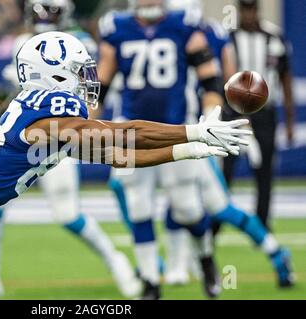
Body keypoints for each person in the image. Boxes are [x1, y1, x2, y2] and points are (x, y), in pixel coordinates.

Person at [0, 31, 250, 300]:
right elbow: (119, 133)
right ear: (55, 74)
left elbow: (116, 153)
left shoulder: (50, 119)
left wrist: (191, 150)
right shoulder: (54, 109)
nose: (87, 79)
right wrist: (191, 131)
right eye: (81, 71)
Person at [97, 0, 294, 299]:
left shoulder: (185, 23)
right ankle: (151, 281)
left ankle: (204, 258)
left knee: (189, 209)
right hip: (132, 131)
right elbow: (103, 83)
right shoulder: (117, 28)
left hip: (178, 129)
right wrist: (86, 123)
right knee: (139, 206)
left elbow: (209, 79)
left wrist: (211, 116)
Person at [0, 0, 142, 300]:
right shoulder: (23, 42)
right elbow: (21, 92)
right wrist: (0, 108)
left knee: (67, 213)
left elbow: (90, 95)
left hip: (60, 136)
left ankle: (116, 261)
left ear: (66, 13)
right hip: (26, 139)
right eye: (39, 11)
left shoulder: (79, 43)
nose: (44, 17)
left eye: (51, 11)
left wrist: (80, 129)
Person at [222, 0, 296, 229]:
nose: (249, 14)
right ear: (239, 10)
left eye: (252, 8)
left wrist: (290, 120)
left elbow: (285, 79)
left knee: (265, 170)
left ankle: (263, 222)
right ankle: (218, 220)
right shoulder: (228, 39)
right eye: (245, 9)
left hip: (265, 113)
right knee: (226, 168)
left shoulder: (274, 37)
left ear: (258, 9)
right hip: (233, 112)